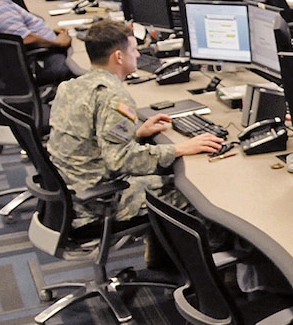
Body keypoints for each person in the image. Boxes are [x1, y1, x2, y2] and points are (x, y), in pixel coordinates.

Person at [47, 19, 223, 224]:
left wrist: (136, 133)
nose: (138, 55)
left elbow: (89, 138)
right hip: (98, 203)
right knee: (198, 194)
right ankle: (200, 251)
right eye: (134, 50)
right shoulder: (114, 97)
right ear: (119, 57)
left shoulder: (71, 86)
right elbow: (120, 160)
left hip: (72, 188)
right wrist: (179, 148)